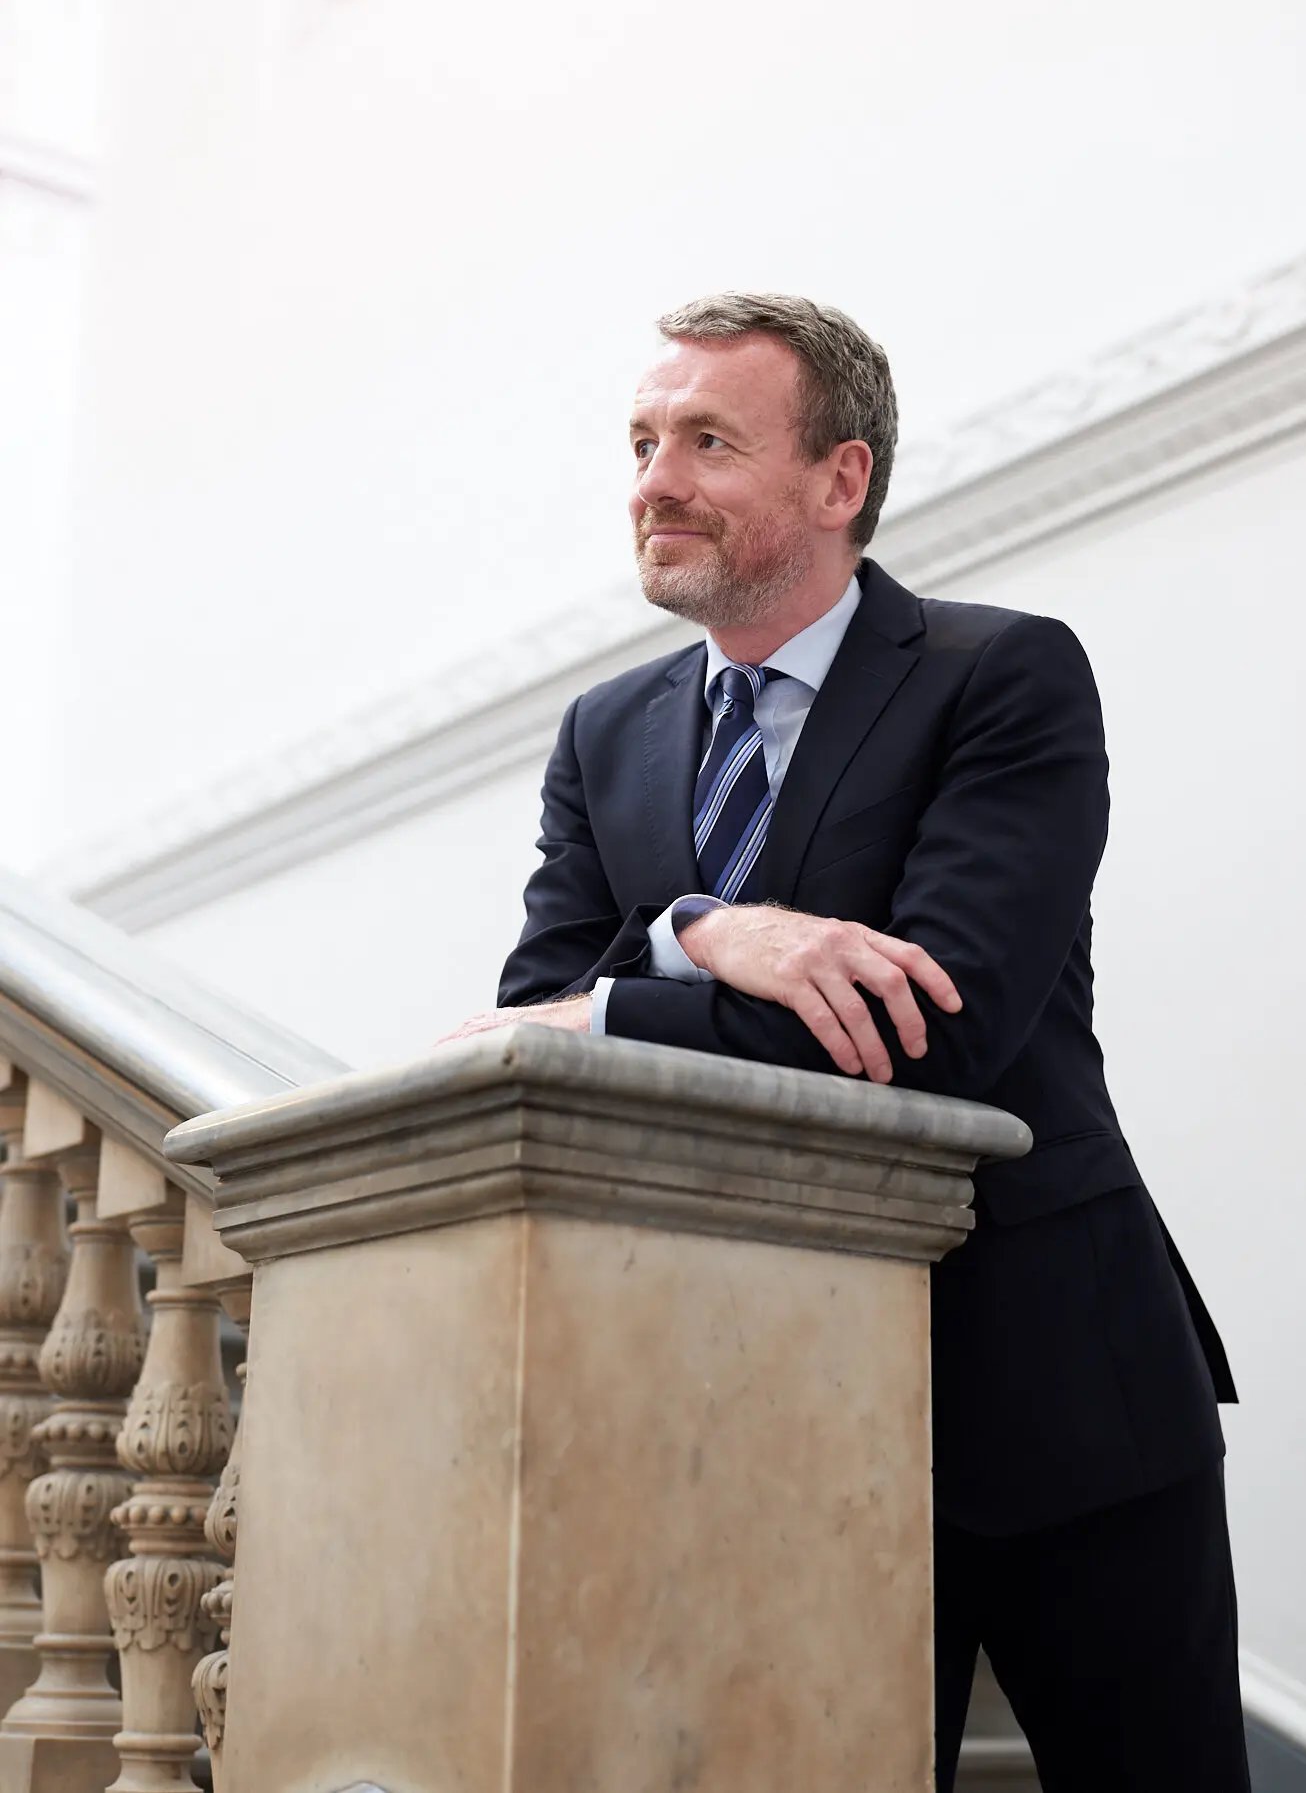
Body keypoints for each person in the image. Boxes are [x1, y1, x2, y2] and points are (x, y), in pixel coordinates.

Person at [444, 292, 1250, 1791]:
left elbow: (931, 1031)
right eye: (638, 441)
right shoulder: (602, 736)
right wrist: (705, 928)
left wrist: (639, 975)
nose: (651, 480)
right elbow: (530, 1025)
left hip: (1051, 1386)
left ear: (838, 481)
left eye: (705, 441)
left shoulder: (999, 675)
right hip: (743, 1414)